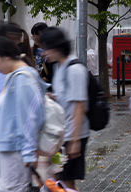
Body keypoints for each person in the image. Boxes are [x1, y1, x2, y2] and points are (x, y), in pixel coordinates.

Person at [40, 27, 90, 189]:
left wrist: (74, 142)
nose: (43, 53)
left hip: (72, 137)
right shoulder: (58, 67)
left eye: (47, 48)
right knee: (58, 178)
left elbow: (79, 106)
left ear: (58, 47)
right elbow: (66, 100)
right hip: (61, 138)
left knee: (67, 181)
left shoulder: (75, 70)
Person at [0, 36, 46, 191]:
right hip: (11, 149)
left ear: (5, 56)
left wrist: (28, 153)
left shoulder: (22, 80)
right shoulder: (14, 77)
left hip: (16, 151)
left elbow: (29, 119)